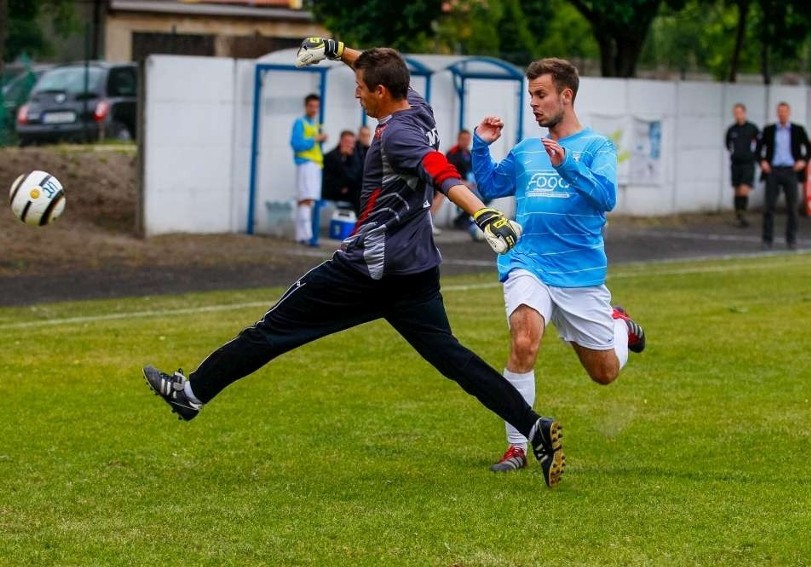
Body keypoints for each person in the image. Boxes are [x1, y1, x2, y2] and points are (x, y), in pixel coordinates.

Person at [143, 38, 566, 489]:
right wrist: (338, 50)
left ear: (382, 92)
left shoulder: (398, 134)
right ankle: (533, 426)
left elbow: (440, 172)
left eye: (361, 87)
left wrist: (482, 213)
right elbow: (382, 74)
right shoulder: (417, 108)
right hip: (415, 270)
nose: (356, 93)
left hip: (367, 268)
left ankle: (190, 394)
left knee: (272, 330)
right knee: (454, 359)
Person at [471, 57, 646, 473]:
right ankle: (518, 447)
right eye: (531, 94)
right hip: (527, 262)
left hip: (579, 275)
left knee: (604, 374)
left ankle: (619, 325)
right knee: (523, 343)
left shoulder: (597, 147)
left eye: (541, 94)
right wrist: (481, 145)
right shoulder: (527, 149)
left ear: (566, 96)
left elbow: (605, 197)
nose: (533, 103)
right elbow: (493, 186)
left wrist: (566, 164)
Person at [755, 102, 811, 250]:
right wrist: (762, 162)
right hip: (773, 170)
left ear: (789, 113)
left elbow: (810, 148)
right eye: (780, 112)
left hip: (790, 170)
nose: (782, 114)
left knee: (792, 207)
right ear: (777, 113)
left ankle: (791, 239)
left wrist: (803, 161)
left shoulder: (797, 130)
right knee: (769, 207)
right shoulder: (769, 130)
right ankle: (767, 239)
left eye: (784, 112)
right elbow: (757, 150)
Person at [290, 93, 327, 246]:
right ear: (306, 106)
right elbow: (296, 144)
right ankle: (307, 235)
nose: (314, 109)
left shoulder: (315, 124)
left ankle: (301, 235)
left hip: (314, 164)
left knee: (306, 199)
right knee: (307, 198)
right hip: (307, 163)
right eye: (311, 106)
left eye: (316, 106)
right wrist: (315, 140)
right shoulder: (300, 123)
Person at [725, 103, 760, 228]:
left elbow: (759, 142)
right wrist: (734, 153)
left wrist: (754, 155)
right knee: (736, 189)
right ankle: (738, 214)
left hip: (748, 163)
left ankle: (743, 214)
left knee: (744, 189)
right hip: (736, 163)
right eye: (735, 113)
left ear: (744, 113)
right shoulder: (732, 130)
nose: (737, 115)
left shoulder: (752, 128)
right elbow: (728, 144)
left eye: (740, 112)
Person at [322, 129, 363, 213]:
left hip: (348, 189)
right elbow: (331, 179)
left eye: (352, 143)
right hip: (334, 191)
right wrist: (343, 186)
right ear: (340, 141)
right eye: (347, 142)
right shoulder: (331, 157)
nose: (350, 145)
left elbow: (357, 175)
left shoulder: (353, 156)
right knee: (358, 196)